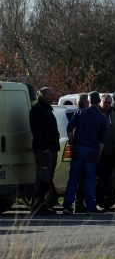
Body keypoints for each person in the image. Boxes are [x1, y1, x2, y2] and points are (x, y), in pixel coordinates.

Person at [62, 91, 108, 214]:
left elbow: (69, 128)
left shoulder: (80, 112)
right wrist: (98, 155)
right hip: (92, 151)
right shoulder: (101, 117)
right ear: (99, 101)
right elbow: (102, 141)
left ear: (89, 101)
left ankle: (67, 206)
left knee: (73, 180)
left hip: (78, 149)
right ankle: (90, 207)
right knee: (90, 180)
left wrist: (72, 143)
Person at [29, 87, 59, 215]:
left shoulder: (47, 109)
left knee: (48, 178)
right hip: (44, 150)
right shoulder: (37, 109)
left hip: (52, 148)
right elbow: (36, 130)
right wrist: (44, 148)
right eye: (50, 95)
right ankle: (36, 206)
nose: (53, 97)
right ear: (43, 96)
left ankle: (42, 204)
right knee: (43, 178)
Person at [96, 93, 115, 209]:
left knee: (109, 179)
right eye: (105, 102)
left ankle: (105, 202)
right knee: (101, 179)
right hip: (100, 154)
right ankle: (98, 202)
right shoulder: (96, 114)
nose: (107, 104)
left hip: (113, 153)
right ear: (100, 102)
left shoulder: (114, 115)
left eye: (109, 102)